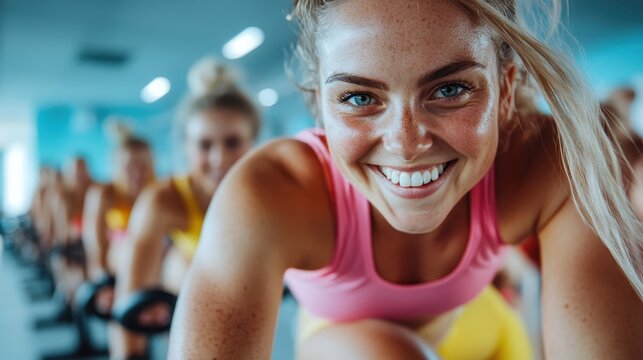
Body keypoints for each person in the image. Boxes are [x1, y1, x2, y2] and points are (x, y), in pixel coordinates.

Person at [169, 1, 643, 359]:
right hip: (339, 339)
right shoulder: (270, 192)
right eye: (358, 98)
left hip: (483, 323)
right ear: (322, 106)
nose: (406, 143)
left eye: (451, 89)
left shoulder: (548, 162)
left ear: (503, 91)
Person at [110, 58, 260, 359]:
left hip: (248, 293)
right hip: (186, 289)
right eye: (205, 145)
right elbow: (130, 297)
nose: (219, 158)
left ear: (252, 142)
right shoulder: (163, 199)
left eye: (233, 142)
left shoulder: (267, 191)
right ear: (186, 148)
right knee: (182, 265)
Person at [82, 130, 155, 315]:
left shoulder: (158, 194)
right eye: (130, 166)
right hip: (118, 264)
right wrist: (101, 282)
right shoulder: (104, 194)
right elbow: (95, 246)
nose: (137, 173)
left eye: (143, 165)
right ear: (116, 167)